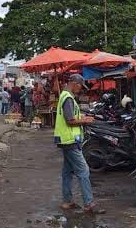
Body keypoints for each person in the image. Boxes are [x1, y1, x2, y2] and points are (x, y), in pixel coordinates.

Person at [55, 74, 104, 214]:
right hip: (70, 140)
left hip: (65, 140)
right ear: (75, 83)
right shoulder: (68, 98)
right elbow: (69, 121)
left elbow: (71, 117)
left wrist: (81, 117)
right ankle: (89, 204)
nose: (80, 89)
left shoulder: (65, 96)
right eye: (80, 86)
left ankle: (67, 201)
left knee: (67, 171)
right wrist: (85, 121)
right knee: (84, 171)